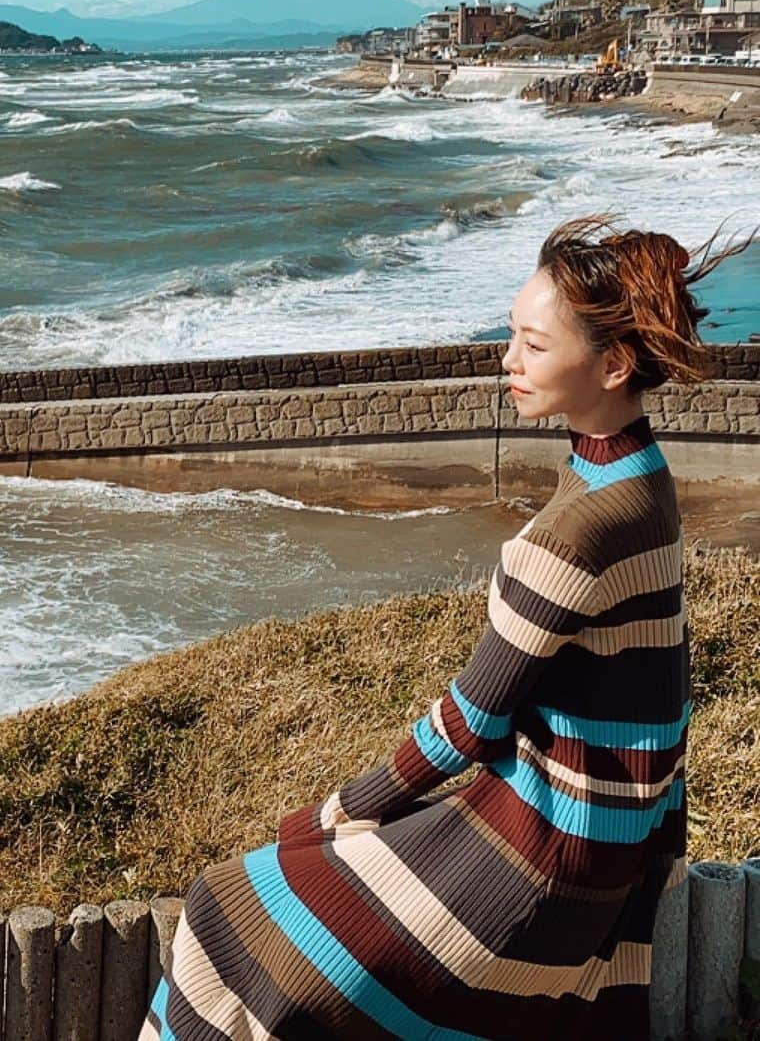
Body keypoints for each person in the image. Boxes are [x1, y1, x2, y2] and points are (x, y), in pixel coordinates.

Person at [138, 210, 758, 1041]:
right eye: (512, 336)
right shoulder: (646, 483)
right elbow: (662, 700)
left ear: (612, 364)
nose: (508, 361)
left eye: (534, 347)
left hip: (542, 860)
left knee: (228, 901)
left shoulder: (578, 533)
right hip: (593, 843)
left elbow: (470, 720)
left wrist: (331, 813)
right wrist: (650, 861)